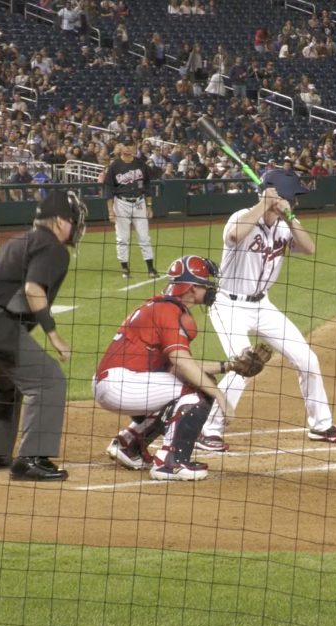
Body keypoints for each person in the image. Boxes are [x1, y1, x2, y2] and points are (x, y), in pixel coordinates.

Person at [196, 171, 336, 451]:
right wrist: (263, 204)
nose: (297, 203)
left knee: (307, 359)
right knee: (242, 364)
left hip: (263, 305)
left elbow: (309, 248)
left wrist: (288, 216)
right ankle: (209, 430)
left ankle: (321, 425)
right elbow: (233, 235)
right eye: (294, 197)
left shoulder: (285, 224)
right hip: (229, 305)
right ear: (280, 195)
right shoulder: (241, 217)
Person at [0, 190, 88, 481]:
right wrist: (53, 334)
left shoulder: (22, 238)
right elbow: (33, 289)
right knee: (48, 381)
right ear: (62, 222)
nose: (76, 227)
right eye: (74, 221)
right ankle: (32, 459)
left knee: (6, 386)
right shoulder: (52, 247)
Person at [93, 256, 232, 481]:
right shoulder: (169, 311)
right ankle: (170, 463)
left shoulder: (161, 305)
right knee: (198, 390)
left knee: (187, 385)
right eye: (205, 283)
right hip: (123, 384)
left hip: (116, 382)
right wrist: (219, 396)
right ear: (192, 287)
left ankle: (129, 444)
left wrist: (228, 365)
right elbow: (183, 364)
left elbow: (180, 366)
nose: (209, 288)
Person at [103, 139, 157, 279]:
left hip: (139, 203)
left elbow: (147, 186)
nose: (127, 148)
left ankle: (151, 269)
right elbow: (108, 189)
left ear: (134, 147)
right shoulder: (114, 166)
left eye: (130, 145)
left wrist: (149, 205)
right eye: (125, 145)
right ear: (121, 147)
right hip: (121, 204)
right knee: (122, 238)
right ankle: (125, 269)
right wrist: (110, 210)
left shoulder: (140, 163)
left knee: (144, 237)